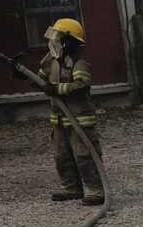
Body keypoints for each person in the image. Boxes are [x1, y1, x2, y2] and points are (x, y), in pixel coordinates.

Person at [38, 18, 104, 206]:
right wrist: (21, 73)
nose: (54, 40)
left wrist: (57, 89)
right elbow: (40, 79)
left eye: (59, 37)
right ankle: (71, 188)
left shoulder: (79, 61)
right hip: (59, 119)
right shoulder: (50, 59)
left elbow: (81, 85)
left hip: (79, 118)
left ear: (69, 40)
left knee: (84, 155)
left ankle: (96, 191)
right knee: (62, 156)